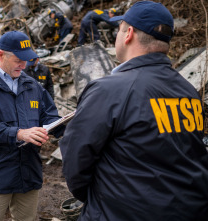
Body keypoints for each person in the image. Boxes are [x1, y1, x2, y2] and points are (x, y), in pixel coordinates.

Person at [60, 1, 208, 220]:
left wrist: (99, 198)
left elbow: (75, 162)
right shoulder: (187, 90)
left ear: (128, 33)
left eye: (118, 30)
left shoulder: (108, 90)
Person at [0, 31, 64, 221]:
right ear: (1, 55)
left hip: (29, 174)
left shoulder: (32, 86)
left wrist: (67, 124)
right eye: (18, 60)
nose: (24, 65)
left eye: (26, 60)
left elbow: (49, 116)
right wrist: (19, 134)